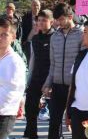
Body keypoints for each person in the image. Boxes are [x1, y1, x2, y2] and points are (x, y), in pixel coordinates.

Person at [43, 3, 84, 139]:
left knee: (76, 123)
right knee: (54, 122)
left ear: (70, 17)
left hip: (75, 86)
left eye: (61, 19)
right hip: (57, 85)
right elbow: (52, 63)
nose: (58, 23)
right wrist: (48, 83)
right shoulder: (54, 37)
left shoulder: (82, 34)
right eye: (57, 20)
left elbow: (84, 64)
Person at [24, 9, 54, 139]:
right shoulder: (35, 39)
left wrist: (50, 82)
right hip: (36, 78)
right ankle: (31, 135)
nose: (40, 23)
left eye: (44, 20)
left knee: (54, 114)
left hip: (52, 79)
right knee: (30, 109)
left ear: (51, 22)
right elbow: (32, 61)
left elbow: (56, 61)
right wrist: (28, 80)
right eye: (39, 20)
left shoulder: (56, 37)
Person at [0, 17, 26, 139]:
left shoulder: (15, 61)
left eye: (4, 34)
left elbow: (14, 92)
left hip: (4, 114)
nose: (0, 37)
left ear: (13, 37)